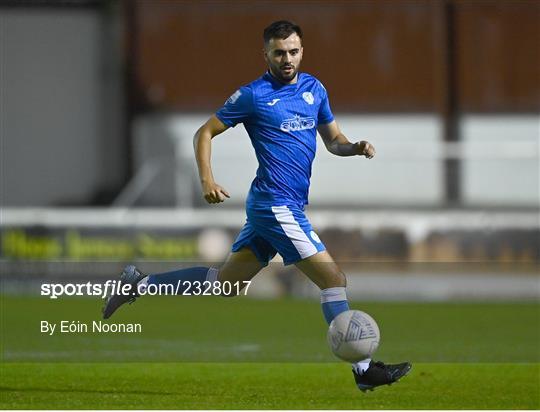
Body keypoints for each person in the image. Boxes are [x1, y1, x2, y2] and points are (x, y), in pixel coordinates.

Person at [103, 20, 411, 392]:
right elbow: (205, 133)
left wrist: (355, 147)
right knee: (333, 279)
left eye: (293, 51)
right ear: (265, 54)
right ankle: (363, 371)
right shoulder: (253, 95)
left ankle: (139, 284)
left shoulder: (315, 89)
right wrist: (207, 180)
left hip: (278, 205)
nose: (287, 59)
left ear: (302, 51)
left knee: (225, 285)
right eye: (279, 52)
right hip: (275, 206)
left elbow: (333, 140)